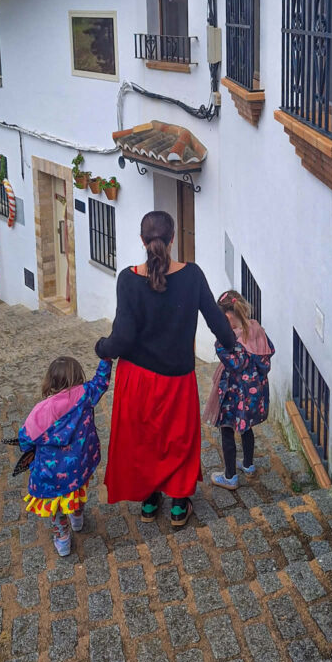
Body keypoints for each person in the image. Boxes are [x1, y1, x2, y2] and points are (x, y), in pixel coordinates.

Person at [95, 210, 236, 528]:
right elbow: (219, 325)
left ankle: (149, 499)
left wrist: (101, 348)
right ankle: (178, 502)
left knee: (144, 439)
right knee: (177, 438)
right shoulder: (193, 275)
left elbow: (122, 337)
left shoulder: (128, 280)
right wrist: (235, 349)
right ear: (172, 240)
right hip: (177, 377)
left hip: (138, 378)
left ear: (142, 241)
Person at [18, 355, 112, 556]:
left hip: (51, 474)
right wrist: (106, 357)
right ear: (78, 377)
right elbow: (101, 381)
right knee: (77, 490)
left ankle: (62, 539)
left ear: (50, 381)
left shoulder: (41, 410)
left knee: (56, 506)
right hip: (79, 465)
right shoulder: (85, 395)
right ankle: (77, 517)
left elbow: (25, 438)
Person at [203, 290, 274, 490]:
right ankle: (249, 465)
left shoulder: (228, 342)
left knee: (227, 430)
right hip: (252, 397)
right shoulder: (257, 329)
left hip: (233, 395)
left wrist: (220, 343)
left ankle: (230, 477)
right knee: (246, 427)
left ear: (226, 316)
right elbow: (270, 351)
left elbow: (235, 364)